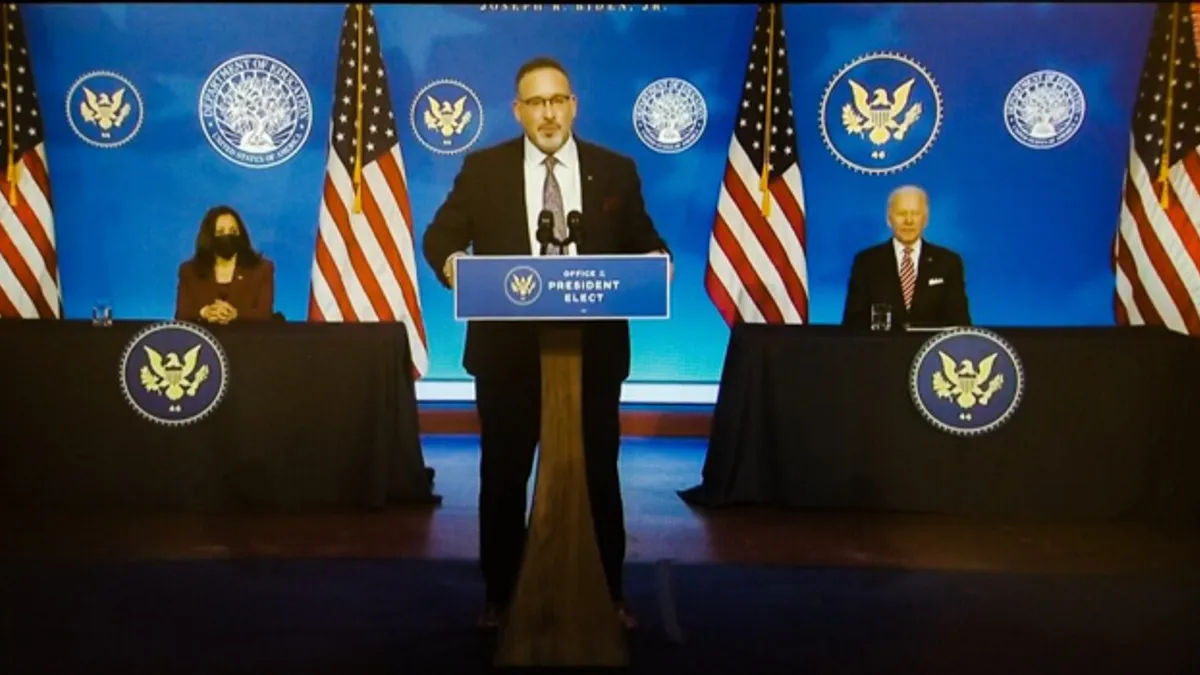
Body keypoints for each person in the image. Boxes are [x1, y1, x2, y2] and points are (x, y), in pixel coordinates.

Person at [422, 56, 671, 631]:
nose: (548, 113)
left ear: (573, 106)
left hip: (594, 353)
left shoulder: (615, 171)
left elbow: (644, 238)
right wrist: (456, 265)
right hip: (507, 356)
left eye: (557, 100)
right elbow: (441, 235)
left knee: (598, 472)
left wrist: (660, 262)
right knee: (504, 475)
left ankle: (609, 592)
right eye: (535, 103)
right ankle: (501, 596)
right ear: (518, 111)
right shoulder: (484, 170)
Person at [842, 185, 970, 329]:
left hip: (931, 350)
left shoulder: (948, 262)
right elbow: (853, 324)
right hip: (881, 350)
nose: (908, 221)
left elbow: (960, 325)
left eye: (915, 213)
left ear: (926, 219)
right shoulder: (866, 262)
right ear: (889, 218)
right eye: (902, 213)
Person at [175, 205, 274, 324]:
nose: (227, 236)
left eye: (233, 231)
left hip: (247, 340)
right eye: (220, 232)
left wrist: (236, 314)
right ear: (209, 236)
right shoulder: (189, 271)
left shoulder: (262, 269)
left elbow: (264, 313)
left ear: (241, 234)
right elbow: (181, 313)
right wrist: (205, 312)